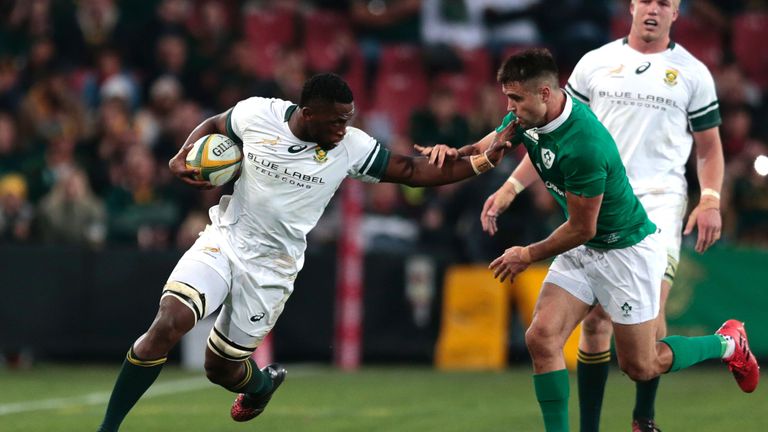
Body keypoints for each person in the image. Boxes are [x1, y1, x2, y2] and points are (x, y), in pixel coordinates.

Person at [96, 72, 514, 432]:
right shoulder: (258, 113)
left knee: (219, 368)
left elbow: (409, 170)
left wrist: (481, 162)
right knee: (167, 323)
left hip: (272, 269)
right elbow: (215, 123)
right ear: (307, 113)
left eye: (347, 120)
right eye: (335, 121)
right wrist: (178, 158)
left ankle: (260, 386)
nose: (342, 128)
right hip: (225, 239)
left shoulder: (350, 146)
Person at [417, 48, 759, 432]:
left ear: (545, 93)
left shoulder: (583, 145)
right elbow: (490, 147)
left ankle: (728, 343)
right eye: (507, 97)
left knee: (641, 364)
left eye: (515, 98)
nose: (508, 106)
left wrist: (526, 254)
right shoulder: (526, 115)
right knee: (542, 337)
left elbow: (584, 228)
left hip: (624, 250)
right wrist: (454, 154)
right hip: (585, 248)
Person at [562, 1, 727, 430]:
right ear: (631, 6)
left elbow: (709, 147)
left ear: (676, 13)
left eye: (665, 3)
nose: (654, 9)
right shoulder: (595, 63)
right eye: (647, 0)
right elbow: (564, 129)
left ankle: (643, 417)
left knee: (649, 312)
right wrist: (514, 185)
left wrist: (709, 198)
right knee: (596, 319)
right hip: (604, 201)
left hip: (659, 205)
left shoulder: (693, 73)